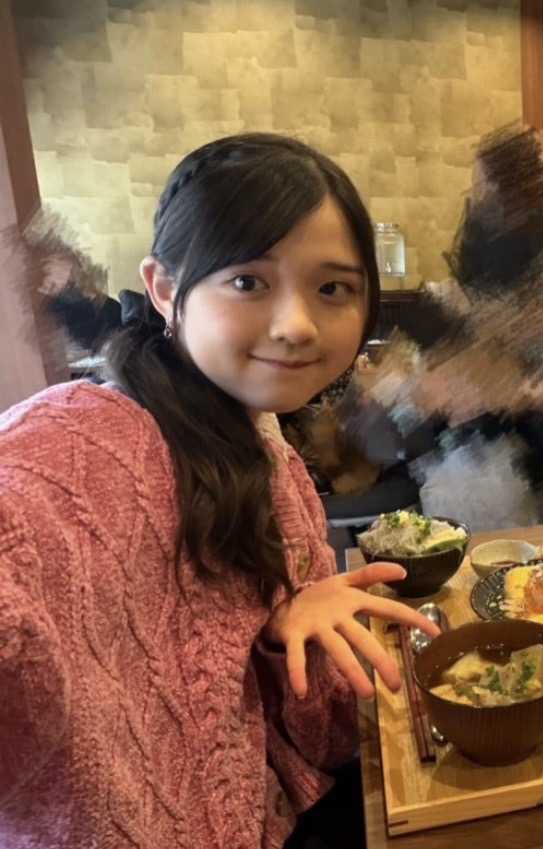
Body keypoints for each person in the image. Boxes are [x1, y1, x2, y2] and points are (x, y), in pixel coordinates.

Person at [0, 133, 437, 849]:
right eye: (248, 282)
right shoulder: (86, 442)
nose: (296, 326)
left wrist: (286, 629)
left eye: (332, 288)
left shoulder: (265, 451)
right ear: (164, 288)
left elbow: (320, 740)